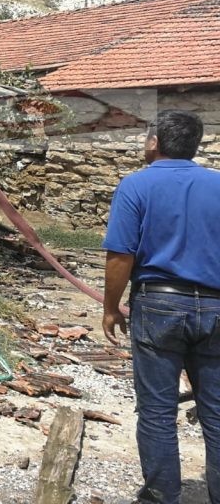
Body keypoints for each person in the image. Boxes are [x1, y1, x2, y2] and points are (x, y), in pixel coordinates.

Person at [102, 110, 220, 503]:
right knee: (217, 413)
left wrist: (111, 308)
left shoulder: (136, 185)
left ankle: (161, 495)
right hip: (216, 307)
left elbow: (121, 255)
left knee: (157, 411)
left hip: (159, 304)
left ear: (154, 142)